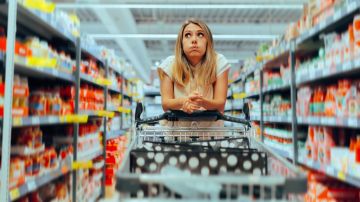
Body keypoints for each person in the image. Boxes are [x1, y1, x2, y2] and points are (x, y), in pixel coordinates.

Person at [157, 18, 230, 127]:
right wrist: (184, 101)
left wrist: (201, 102)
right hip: (177, 135)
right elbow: (166, 104)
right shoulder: (169, 64)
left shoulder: (219, 62)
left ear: (208, 41)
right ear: (181, 43)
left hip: (210, 135)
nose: (194, 40)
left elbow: (220, 104)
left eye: (200, 34)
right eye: (187, 35)